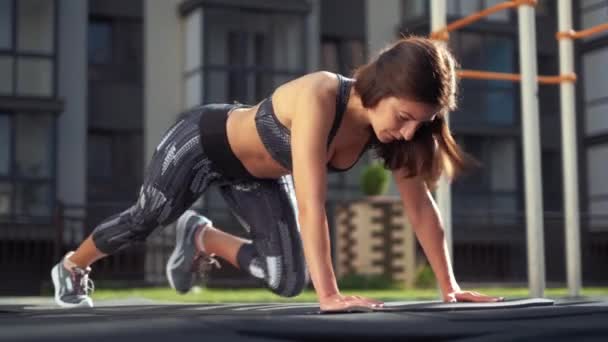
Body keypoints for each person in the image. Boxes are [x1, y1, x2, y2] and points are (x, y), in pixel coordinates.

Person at [51, 36, 503, 312]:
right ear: (381, 89)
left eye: (418, 125)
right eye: (404, 116)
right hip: (203, 142)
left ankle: (203, 239)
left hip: (256, 176)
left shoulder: (397, 135)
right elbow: (311, 202)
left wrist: (451, 288)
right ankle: (71, 267)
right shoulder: (322, 94)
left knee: (287, 279)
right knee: (147, 217)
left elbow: (421, 209)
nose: (407, 132)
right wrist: (330, 295)